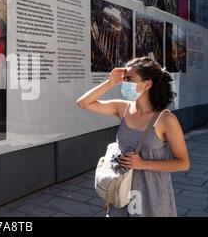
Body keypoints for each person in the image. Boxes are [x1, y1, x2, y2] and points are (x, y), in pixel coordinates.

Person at [76, 57, 190, 217]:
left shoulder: (165, 119)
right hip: (121, 195)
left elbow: (183, 163)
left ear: (147, 84)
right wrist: (110, 82)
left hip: (152, 199)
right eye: (124, 79)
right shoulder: (122, 108)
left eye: (129, 79)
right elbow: (83, 103)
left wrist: (144, 163)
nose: (124, 83)